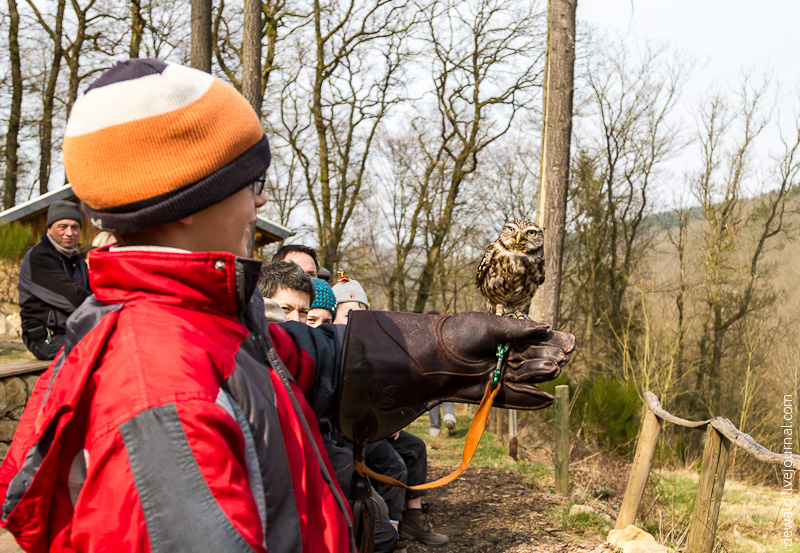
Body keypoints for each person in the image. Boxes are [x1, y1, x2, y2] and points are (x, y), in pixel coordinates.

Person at [0, 59, 575, 553]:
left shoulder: (204, 323)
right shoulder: (165, 396)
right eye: (251, 180)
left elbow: (304, 361)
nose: (263, 198)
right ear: (185, 202)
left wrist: (440, 347)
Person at [333, 273, 449, 546]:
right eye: (346, 314)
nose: (353, 322)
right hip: (352, 430)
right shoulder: (330, 347)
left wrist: (391, 422)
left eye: (360, 315)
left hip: (375, 426)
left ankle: (414, 515)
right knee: (394, 466)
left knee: (415, 448)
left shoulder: (368, 349)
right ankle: (390, 531)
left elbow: (381, 392)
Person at [18, 200, 91, 360]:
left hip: (73, 331)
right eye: (62, 227)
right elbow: (73, 299)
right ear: (49, 229)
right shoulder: (40, 257)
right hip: (45, 337)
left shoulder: (77, 260)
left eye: (75, 227)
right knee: (98, 352)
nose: (69, 233)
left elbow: (93, 290)